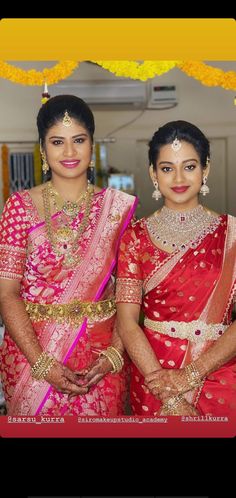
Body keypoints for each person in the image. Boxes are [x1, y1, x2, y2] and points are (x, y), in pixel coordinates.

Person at [0, 95, 137, 416]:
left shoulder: (117, 208)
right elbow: (7, 294)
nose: (70, 152)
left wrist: (114, 354)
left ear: (92, 144)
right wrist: (42, 362)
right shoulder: (19, 207)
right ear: (43, 149)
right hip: (33, 358)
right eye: (57, 142)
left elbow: (129, 291)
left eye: (79, 140)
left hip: (101, 360)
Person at [116, 120, 236, 416]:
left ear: (205, 169)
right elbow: (128, 323)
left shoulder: (232, 233)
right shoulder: (135, 237)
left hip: (220, 374)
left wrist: (192, 374)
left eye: (190, 166)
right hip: (154, 375)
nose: (179, 177)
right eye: (167, 168)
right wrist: (168, 395)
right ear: (153, 174)